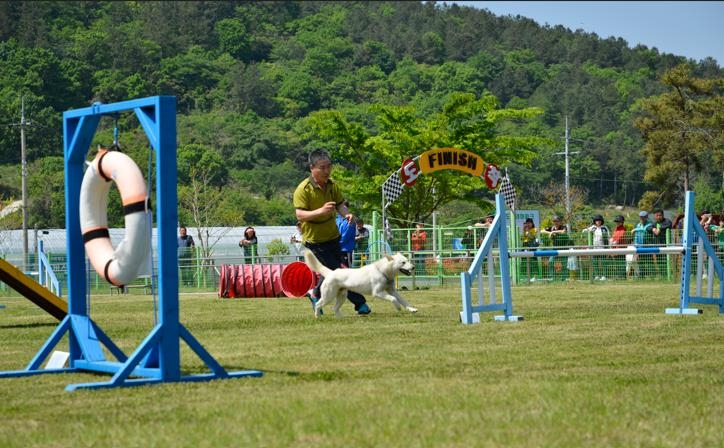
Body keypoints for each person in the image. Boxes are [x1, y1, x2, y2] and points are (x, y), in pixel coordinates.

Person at [293, 149, 370, 315]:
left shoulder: (332, 185)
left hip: (334, 237)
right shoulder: (303, 189)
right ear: (312, 167)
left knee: (331, 272)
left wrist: (346, 214)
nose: (327, 171)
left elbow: (340, 204)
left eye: (329, 167)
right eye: (322, 167)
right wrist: (320, 211)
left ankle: (315, 294)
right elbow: (299, 214)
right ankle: (360, 304)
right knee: (340, 272)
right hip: (315, 241)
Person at [540, 215, 572, 281]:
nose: (556, 223)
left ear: (560, 222)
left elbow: (563, 231)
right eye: (554, 221)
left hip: (564, 248)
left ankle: (564, 278)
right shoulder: (551, 228)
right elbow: (542, 231)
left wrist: (553, 232)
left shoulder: (563, 227)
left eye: (557, 221)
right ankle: (552, 277)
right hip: (555, 249)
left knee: (564, 264)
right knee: (550, 262)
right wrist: (550, 232)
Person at [582, 214, 610, 281]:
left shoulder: (604, 228)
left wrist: (608, 247)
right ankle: (597, 275)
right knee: (595, 263)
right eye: (597, 220)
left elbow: (608, 237)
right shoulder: (593, 227)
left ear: (601, 221)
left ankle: (604, 276)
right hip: (595, 248)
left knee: (603, 262)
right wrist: (585, 230)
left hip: (603, 248)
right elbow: (585, 231)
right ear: (595, 221)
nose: (598, 222)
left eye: (599, 220)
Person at [651, 209, 673, 278]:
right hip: (657, 245)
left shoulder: (667, 221)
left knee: (666, 260)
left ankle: (667, 274)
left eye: (660, 215)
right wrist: (653, 229)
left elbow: (668, 225)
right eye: (657, 215)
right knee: (659, 261)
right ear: (654, 216)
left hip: (666, 245)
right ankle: (663, 275)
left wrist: (659, 229)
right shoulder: (654, 223)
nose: (658, 217)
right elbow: (648, 227)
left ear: (663, 215)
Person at [631, 211, 653, 278]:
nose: (642, 218)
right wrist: (635, 243)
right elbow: (636, 235)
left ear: (646, 217)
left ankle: (650, 275)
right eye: (641, 217)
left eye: (643, 217)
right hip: (638, 246)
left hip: (647, 246)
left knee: (648, 261)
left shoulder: (650, 225)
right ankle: (640, 274)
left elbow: (644, 230)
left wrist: (635, 229)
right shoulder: (638, 225)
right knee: (637, 261)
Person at [336, 203, 356, 268]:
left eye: (344, 207)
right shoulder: (337, 220)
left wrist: (335, 244)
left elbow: (345, 237)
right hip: (337, 250)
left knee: (347, 272)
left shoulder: (350, 220)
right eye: (339, 208)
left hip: (346, 250)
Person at [609, 215, 628, 279]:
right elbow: (614, 236)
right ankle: (619, 276)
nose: (617, 223)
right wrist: (611, 240)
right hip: (616, 249)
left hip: (621, 249)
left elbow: (621, 236)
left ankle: (622, 276)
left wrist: (615, 242)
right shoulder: (616, 229)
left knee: (621, 263)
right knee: (617, 264)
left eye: (618, 221)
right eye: (616, 222)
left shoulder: (623, 229)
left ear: (622, 222)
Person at [520, 217, 539, 281]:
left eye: (529, 223)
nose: (527, 224)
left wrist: (527, 231)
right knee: (524, 261)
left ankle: (535, 277)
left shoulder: (535, 229)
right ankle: (526, 277)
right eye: (526, 223)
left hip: (531, 245)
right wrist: (523, 230)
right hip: (525, 245)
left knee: (533, 261)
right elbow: (522, 238)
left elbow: (532, 237)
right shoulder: (525, 230)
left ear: (532, 223)